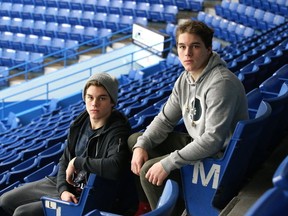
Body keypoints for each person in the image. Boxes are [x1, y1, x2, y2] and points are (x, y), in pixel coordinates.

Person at [128, 20, 249, 215]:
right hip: (199, 141)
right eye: (182, 47)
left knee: (148, 170)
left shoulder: (220, 83)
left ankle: (172, 211)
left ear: (209, 49)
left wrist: (167, 163)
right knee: (135, 141)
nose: (187, 53)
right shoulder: (185, 78)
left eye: (195, 46)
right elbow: (165, 119)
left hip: (217, 155)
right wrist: (141, 145)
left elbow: (212, 141)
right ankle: (148, 205)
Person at [0, 72, 138, 216]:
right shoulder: (79, 123)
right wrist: (63, 190)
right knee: (4, 201)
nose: (94, 103)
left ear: (112, 102)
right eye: (90, 97)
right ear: (84, 98)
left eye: (102, 98)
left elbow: (115, 167)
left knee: (23, 213)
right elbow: (65, 161)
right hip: (66, 186)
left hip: (90, 194)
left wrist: (78, 162)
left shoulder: (118, 130)